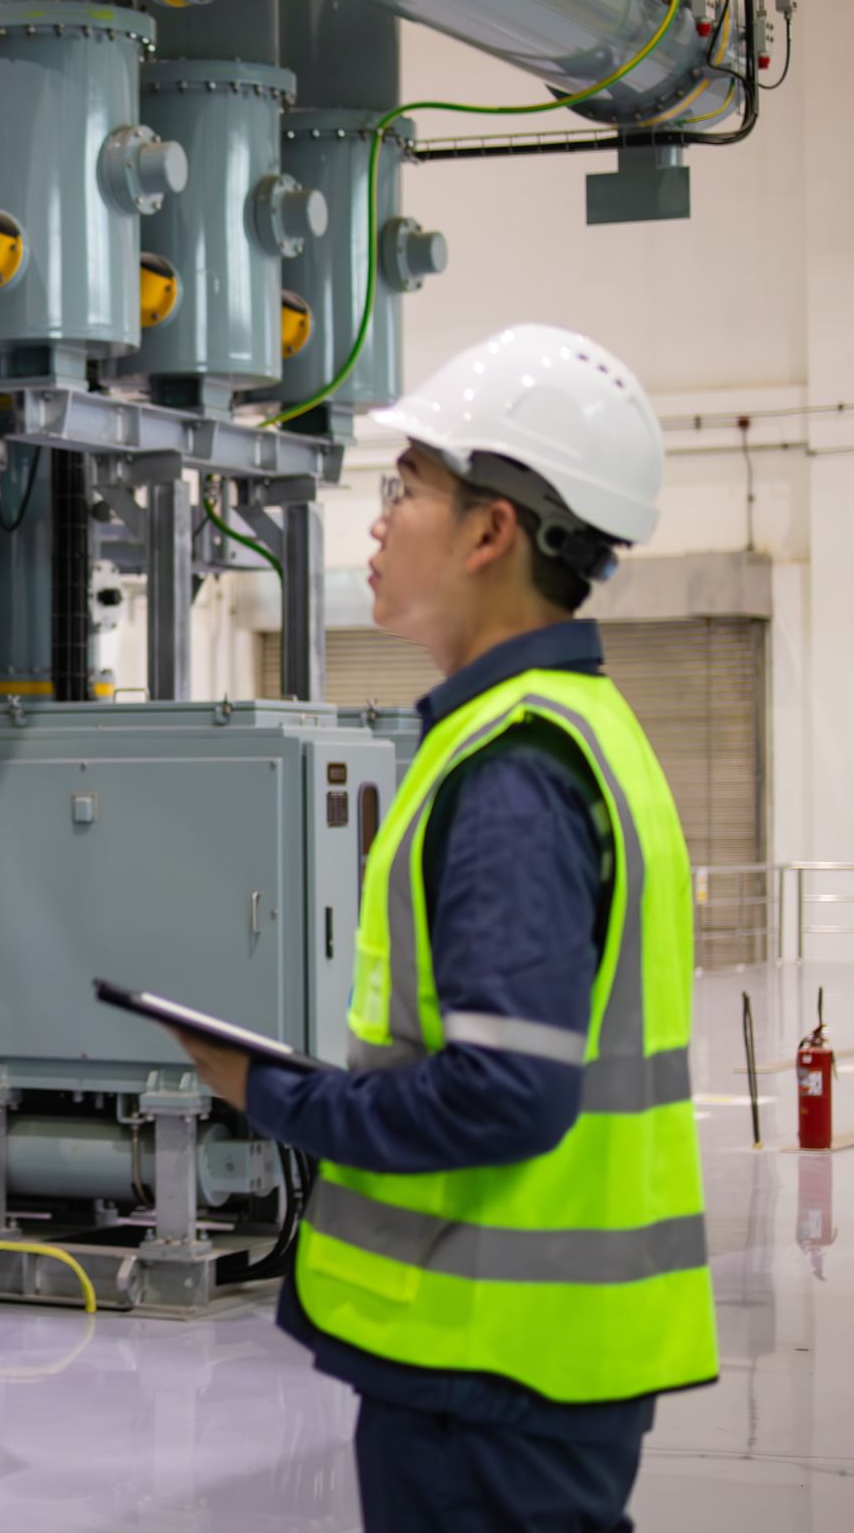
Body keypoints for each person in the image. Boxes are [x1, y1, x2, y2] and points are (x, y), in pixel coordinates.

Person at [171, 325, 717, 1533]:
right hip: (531, 1365)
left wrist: (273, 1094)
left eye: (405, 487)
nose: (375, 518)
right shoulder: (566, 728)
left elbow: (502, 1097)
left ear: (491, 532)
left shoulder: (517, 768)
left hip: (496, 1374)